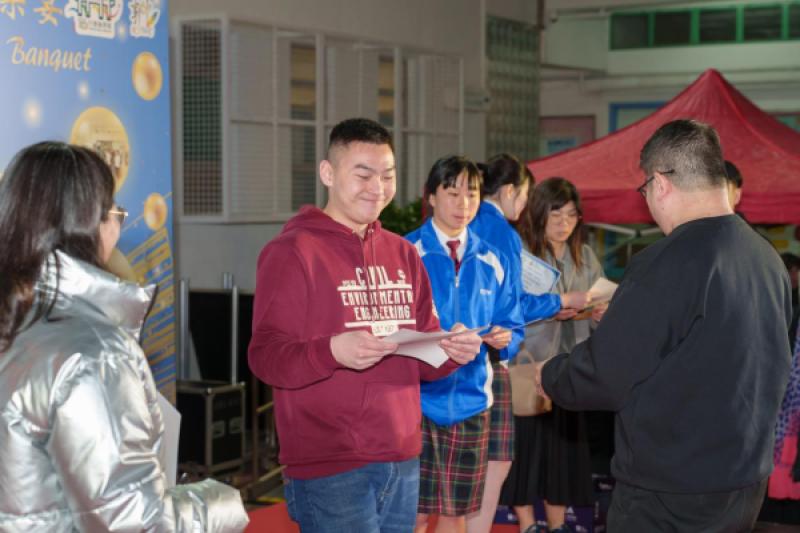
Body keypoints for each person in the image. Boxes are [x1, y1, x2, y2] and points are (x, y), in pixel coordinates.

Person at [538, 119, 792, 531]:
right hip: (745, 480)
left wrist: (549, 375)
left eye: (644, 191)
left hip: (672, 490)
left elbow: (607, 373)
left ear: (660, 183)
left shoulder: (667, 260)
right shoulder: (765, 257)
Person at [248, 118, 482, 532]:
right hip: (330, 463)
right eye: (363, 174)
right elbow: (266, 357)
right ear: (328, 173)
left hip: (401, 455)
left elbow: (422, 352)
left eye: (387, 176)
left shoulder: (403, 254)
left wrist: (451, 351)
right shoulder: (293, 252)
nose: (378, 187)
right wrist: (332, 351)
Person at [0, 141, 248, 532]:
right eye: (113, 211)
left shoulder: (16, 322)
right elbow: (132, 521)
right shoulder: (93, 353)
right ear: (90, 224)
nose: (117, 225)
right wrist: (225, 503)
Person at [468, 155, 589, 532]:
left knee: (468, 475)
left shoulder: (468, 224)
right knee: (493, 466)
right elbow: (512, 303)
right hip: (494, 361)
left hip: (466, 358)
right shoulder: (502, 233)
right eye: (523, 197)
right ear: (509, 191)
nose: (523, 206)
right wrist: (561, 301)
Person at [405, 156, 524, 533]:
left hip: (472, 400)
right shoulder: (405, 253)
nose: (463, 204)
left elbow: (513, 323)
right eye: (452, 193)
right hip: (415, 402)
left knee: (456, 514)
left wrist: (505, 339)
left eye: (471, 194)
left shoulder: (494, 258)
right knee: (413, 515)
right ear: (431, 197)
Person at [500, 177, 607, 533]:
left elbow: (598, 302)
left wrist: (599, 314)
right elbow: (508, 308)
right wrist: (553, 308)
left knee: (563, 452)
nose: (564, 223)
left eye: (572, 216)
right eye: (556, 214)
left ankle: (558, 525)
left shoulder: (585, 255)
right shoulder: (520, 253)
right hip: (528, 363)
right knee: (525, 450)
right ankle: (528, 524)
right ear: (539, 213)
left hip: (571, 365)